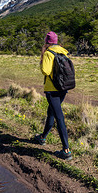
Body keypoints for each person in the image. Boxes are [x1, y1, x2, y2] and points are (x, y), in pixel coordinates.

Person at [35, 31, 72, 160]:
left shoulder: (48, 53)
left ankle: (66, 151)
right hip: (63, 88)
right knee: (51, 112)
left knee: (59, 116)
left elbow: (45, 71)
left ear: (47, 41)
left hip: (52, 90)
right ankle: (42, 137)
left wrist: (41, 61)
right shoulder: (63, 51)